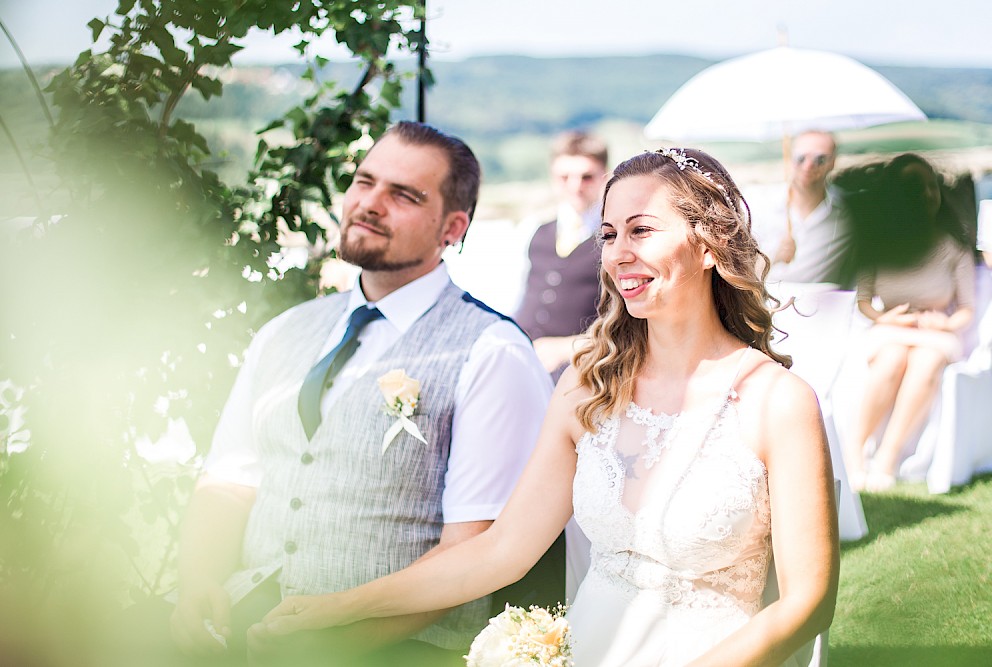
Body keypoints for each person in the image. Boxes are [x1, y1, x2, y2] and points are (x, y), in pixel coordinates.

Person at [248, 148, 840, 667]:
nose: (617, 255)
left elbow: (807, 601)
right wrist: (341, 607)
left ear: (710, 245)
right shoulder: (590, 388)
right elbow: (502, 551)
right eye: (608, 236)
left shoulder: (777, 402)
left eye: (641, 231)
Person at [165, 121, 553, 666]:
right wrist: (198, 582)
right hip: (245, 629)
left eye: (403, 195)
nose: (370, 203)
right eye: (364, 182)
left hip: (397, 651)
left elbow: (473, 548)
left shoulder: (493, 351)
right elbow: (230, 479)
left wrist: (340, 644)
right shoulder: (286, 331)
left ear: (453, 227)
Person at [844, 153, 976, 492]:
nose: (926, 194)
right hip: (891, 330)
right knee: (892, 359)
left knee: (926, 361)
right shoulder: (877, 245)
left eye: (931, 186)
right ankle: (854, 454)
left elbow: (966, 309)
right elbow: (863, 300)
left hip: (935, 334)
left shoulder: (953, 248)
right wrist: (882, 316)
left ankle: (887, 459)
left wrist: (944, 325)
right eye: (914, 187)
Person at [514, 130, 608, 378]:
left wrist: (567, 348)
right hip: (523, 362)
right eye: (565, 177)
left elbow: (628, 325)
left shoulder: (613, 240)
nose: (575, 186)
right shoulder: (537, 232)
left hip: (581, 371)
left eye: (586, 177)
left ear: (604, 177)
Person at [754, 130, 850, 286]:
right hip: (764, 303)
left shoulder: (847, 212)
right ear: (790, 159)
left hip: (821, 306)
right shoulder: (759, 203)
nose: (808, 165)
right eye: (801, 158)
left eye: (820, 159)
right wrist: (773, 257)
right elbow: (738, 274)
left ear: (833, 162)